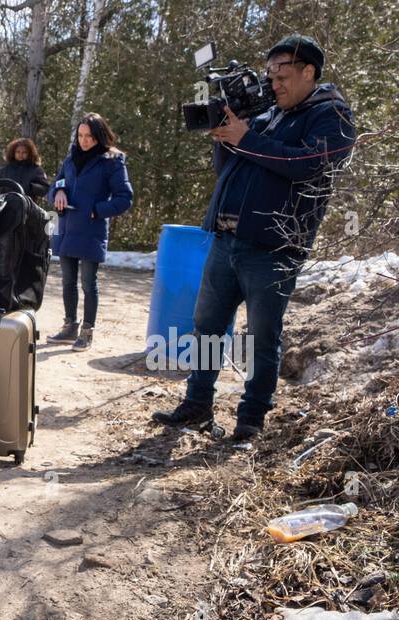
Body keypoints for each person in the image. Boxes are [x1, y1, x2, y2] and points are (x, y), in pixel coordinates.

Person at [152, 34, 357, 441]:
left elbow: (309, 166)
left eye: (282, 75)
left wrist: (246, 138)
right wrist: (226, 136)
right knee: (207, 327)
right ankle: (197, 404)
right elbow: (230, 168)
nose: (274, 84)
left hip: (274, 247)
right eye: (270, 75)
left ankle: (251, 419)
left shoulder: (331, 115)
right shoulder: (268, 115)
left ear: (308, 72)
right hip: (227, 238)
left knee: (262, 336)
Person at [45, 113, 133, 352]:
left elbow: (125, 198)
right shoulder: (71, 157)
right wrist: (57, 195)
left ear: (100, 136)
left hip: (91, 229)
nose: (84, 141)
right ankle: (69, 326)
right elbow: (55, 185)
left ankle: (87, 331)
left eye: (89, 137)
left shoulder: (113, 160)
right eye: (81, 136)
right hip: (67, 227)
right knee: (67, 282)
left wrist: (96, 210)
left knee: (88, 283)